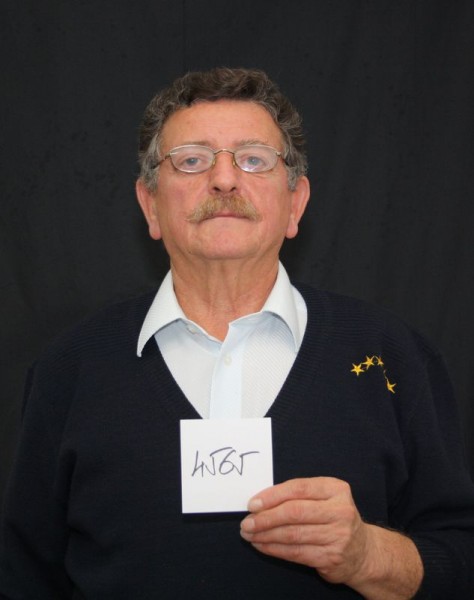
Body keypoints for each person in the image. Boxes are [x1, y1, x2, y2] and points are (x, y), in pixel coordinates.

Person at [1, 67, 474, 599]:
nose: (224, 180)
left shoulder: (394, 357)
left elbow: (460, 559)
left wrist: (368, 555)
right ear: (150, 205)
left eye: (253, 159)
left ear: (295, 203)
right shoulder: (69, 370)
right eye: (191, 160)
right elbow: (23, 577)